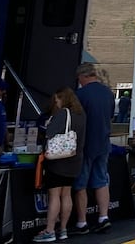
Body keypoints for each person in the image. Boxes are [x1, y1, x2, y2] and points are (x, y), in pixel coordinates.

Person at [34, 88, 84, 243]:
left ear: (63, 99)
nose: (56, 103)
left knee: (54, 195)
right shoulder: (81, 115)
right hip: (74, 160)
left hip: (58, 161)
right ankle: (62, 229)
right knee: (66, 194)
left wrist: (48, 124)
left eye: (57, 100)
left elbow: (49, 132)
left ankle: (49, 230)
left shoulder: (63, 114)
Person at [71, 63, 114, 234]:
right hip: (103, 142)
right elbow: (110, 116)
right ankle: (104, 217)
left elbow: (75, 120)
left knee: (81, 184)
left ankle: (82, 223)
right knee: (101, 180)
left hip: (85, 144)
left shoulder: (80, 95)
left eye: (79, 79)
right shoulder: (108, 94)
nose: (79, 82)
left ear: (83, 76)